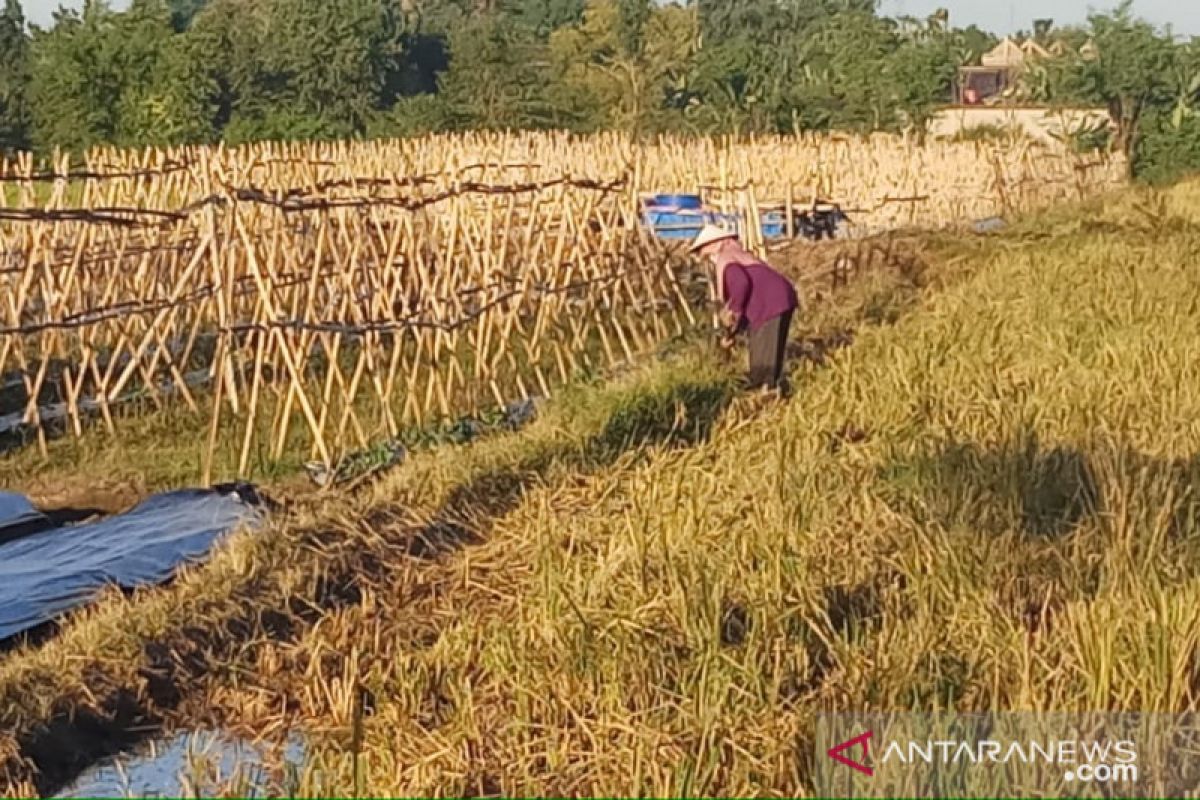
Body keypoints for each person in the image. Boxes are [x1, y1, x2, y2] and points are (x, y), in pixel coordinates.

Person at [690, 224, 799, 392]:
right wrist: (733, 331)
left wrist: (732, 312)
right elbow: (743, 299)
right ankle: (775, 392)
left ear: (718, 243)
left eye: (705, 248)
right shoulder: (738, 255)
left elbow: (741, 285)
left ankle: (767, 395)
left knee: (763, 363)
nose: (705, 254)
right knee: (770, 354)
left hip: (769, 304)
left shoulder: (727, 259)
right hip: (779, 299)